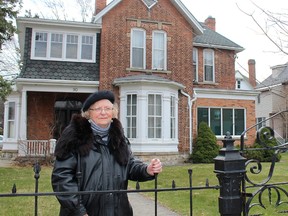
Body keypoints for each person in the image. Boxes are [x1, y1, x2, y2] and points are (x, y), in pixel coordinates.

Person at [51, 90, 162, 216]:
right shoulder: (74, 137)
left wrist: (147, 169)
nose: (103, 112)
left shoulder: (119, 138)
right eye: (97, 109)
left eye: (107, 108)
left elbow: (129, 165)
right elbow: (62, 178)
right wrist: (79, 211)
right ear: (88, 113)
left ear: (113, 112)